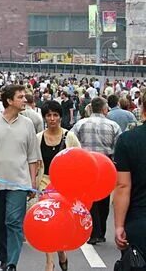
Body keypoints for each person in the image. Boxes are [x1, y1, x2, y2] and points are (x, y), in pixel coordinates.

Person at [0, 84, 39, 271]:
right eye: (20, 97)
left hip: (19, 183)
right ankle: (3, 259)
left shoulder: (28, 124)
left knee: (13, 222)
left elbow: (32, 157)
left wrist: (32, 183)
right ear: (9, 100)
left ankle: (12, 263)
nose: (24, 100)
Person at [35, 100, 81, 271]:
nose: (52, 119)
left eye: (55, 115)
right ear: (45, 117)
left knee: (59, 223)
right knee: (46, 222)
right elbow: (34, 163)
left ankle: (61, 251)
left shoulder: (69, 137)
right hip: (44, 184)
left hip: (64, 185)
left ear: (61, 117)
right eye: (48, 115)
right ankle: (49, 261)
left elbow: (79, 161)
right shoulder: (38, 138)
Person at [71, 96, 121, 245]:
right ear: (104, 109)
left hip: (85, 164)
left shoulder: (81, 124)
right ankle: (101, 232)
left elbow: (72, 141)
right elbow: (118, 146)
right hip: (106, 165)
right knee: (104, 199)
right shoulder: (113, 126)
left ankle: (92, 230)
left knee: (88, 198)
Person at [113, 94, 146, 259]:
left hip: (139, 220)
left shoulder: (127, 140)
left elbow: (123, 186)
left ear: (142, 109)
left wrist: (119, 225)